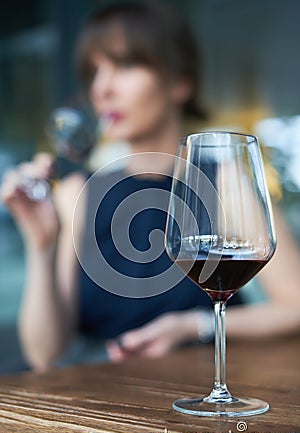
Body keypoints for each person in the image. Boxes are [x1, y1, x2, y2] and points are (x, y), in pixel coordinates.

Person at [1, 1, 300, 371]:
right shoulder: (77, 191)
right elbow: (44, 354)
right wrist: (41, 243)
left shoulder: (222, 178)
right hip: (103, 399)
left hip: (207, 387)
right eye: (94, 72)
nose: (103, 88)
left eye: (125, 65)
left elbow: (295, 306)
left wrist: (192, 326)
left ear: (180, 82)